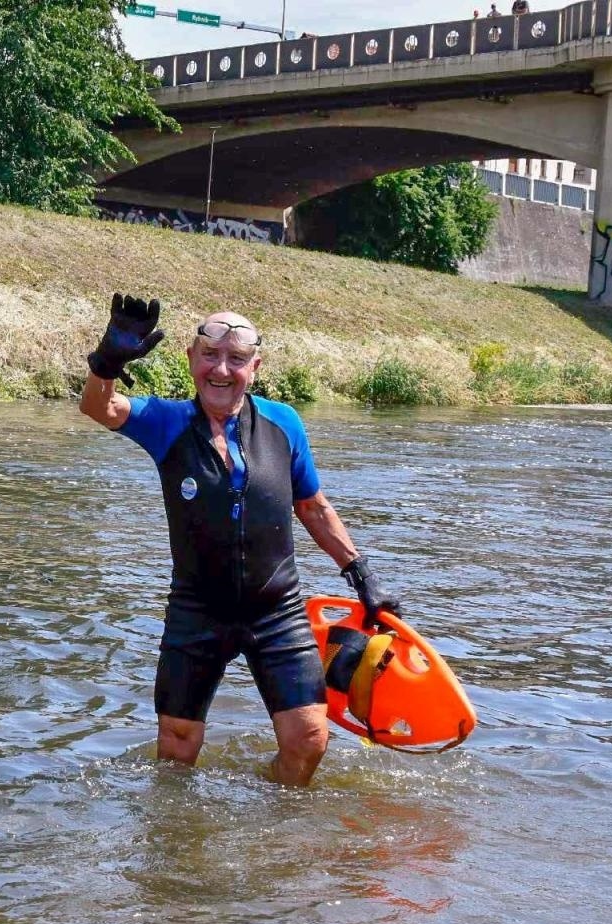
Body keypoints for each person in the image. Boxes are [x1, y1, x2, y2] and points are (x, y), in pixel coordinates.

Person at [77, 295, 400, 786]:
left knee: (309, 740)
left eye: (236, 359)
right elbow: (98, 407)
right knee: (177, 749)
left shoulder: (283, 423)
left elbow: (311, 506)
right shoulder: (166, 423)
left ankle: (275, 825)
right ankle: (178, 841)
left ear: (256, 366)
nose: (221, 370)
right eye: (209, 355)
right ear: (190, 359)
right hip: (197, 610)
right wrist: (107, 363)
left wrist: (361, 574)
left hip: (277, 610)